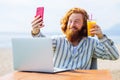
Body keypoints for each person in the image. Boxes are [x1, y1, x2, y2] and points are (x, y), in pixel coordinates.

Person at [31, 7, 119, 70]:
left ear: (84, 25)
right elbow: (41, 45)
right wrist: (36, 31)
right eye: (70, 21)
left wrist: (101, 36)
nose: (72, 24)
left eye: (76, 21)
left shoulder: (92, 43)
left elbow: (114, 56)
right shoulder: (58, 40)